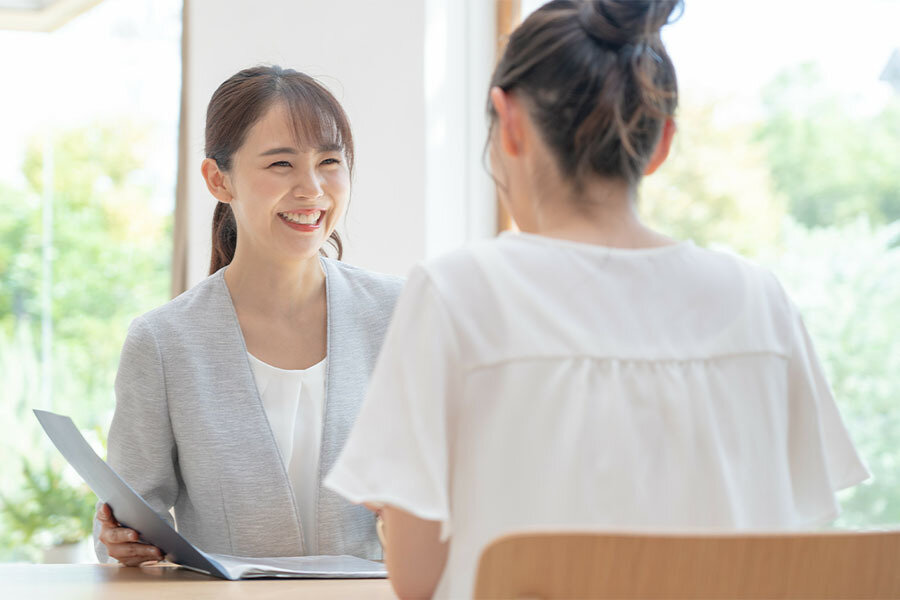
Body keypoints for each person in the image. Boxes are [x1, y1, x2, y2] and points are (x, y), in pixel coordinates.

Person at [323, 1, 870, 597]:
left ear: (510, 121)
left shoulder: (455, 293)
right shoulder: (759, 301)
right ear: (661, 143)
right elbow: (793, 553)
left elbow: (418, 580)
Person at [93, 65, 402, 566]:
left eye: (329, 161)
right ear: (219, 180)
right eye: (281, 163)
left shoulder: (400, 315)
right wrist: (121, 543)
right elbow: (125, 523)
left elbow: (455, 491)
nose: (312, 188)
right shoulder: (164, 341)